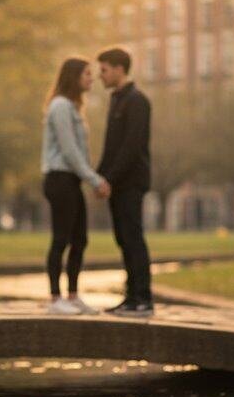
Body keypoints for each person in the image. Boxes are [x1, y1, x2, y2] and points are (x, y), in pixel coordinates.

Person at [41, 57, 111, 315]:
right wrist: (95, 179)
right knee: (61, 239)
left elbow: (77, 153)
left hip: (71, 180)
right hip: (59, 178)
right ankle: (55, 299)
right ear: (73, 77)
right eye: (87, 74)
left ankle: (72, 295)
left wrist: (87, 178)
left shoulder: (72, 107)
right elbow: (70, 151)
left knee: (79, 239)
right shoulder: (60, 106)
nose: (91, 79)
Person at [95, 47, 154, 317]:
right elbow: (111, 147)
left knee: (133, 238)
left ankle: (143, 299)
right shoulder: (117, 99)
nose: (100, 75)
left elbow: (131, 147)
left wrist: (109, 178)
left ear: (119, 68)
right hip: (118, 182)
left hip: (131, 182)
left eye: (104, 69)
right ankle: (132, 297)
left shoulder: (137, 101)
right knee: (123, 239)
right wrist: (99, 177)